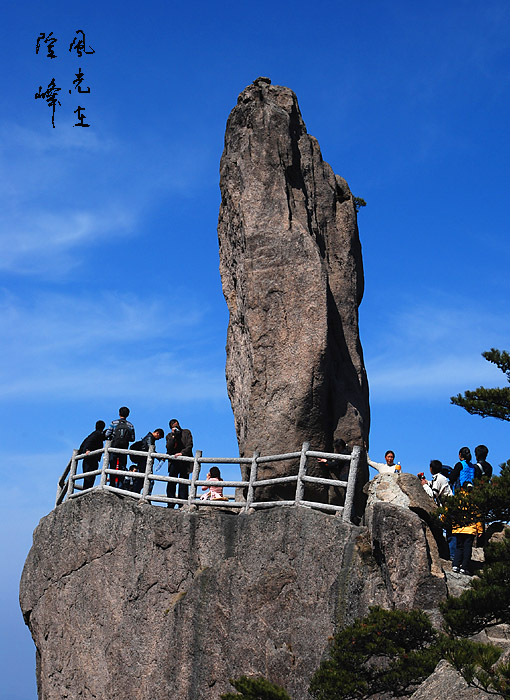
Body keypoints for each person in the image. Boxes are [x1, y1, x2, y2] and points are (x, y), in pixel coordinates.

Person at [421, 459, 455, 560]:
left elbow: (433, 494)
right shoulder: (440, 478)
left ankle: (452, 556)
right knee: (448, 531)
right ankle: (450, 554)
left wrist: (424, 485)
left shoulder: (440, 478)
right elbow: (433, 484)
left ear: (431, 469)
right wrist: (425, 481)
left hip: (449, 508)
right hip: (447, 507)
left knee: (450, 532)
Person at [451, 482, 483, 575]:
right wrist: (480, 529)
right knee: (467, 548)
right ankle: (464, 567)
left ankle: (456, 565)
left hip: (459, 528)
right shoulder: (473, 500)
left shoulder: (456, 499)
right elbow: (478, 516)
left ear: (462, 488)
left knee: (459, 547)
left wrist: (443, 520)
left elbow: (448, 510)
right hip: (470, 529)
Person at [105, 407, 135, 489]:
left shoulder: (113, 423)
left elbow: (107, 434)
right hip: (124, 448)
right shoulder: (130, 425)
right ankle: (121, 485)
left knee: (112, 465)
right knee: (122, 466)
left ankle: (112, 484)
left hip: (114, 447)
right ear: (128, 414)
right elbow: (132, 438)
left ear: (119, 413)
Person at [126, 429, 165, 494]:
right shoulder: (149, 439)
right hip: (144, 462)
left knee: (141, 479)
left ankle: (136, 493)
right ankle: (144, 495)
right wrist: (159, 457)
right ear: (157, 433)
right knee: (148, 480)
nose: (158, 439)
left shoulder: (148, 438)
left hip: (142, 461)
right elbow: (150, 449)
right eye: (159, 437)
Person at [166, 419, 193, 507]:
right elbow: (169, 449)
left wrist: (182, 453)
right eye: (174, 426)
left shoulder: (186, 432)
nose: (177, 427)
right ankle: (170, 503)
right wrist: (174, 436)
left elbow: (190, 445)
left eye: (177, 425)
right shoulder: (169, 436)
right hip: (174, 461)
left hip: (185, 461)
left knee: (183, 483)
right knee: (171, 482)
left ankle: (182, 504)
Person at [78, 420, 106, 490]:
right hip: (91, 459)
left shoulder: (95, 434)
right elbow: (88, 442)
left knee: (88, 477)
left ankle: (86, 490)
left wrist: (82, 451)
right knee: (89, 477)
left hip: (89, 459)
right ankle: (86, 491)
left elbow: (85, 442)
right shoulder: (97, 434)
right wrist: (87, 449)